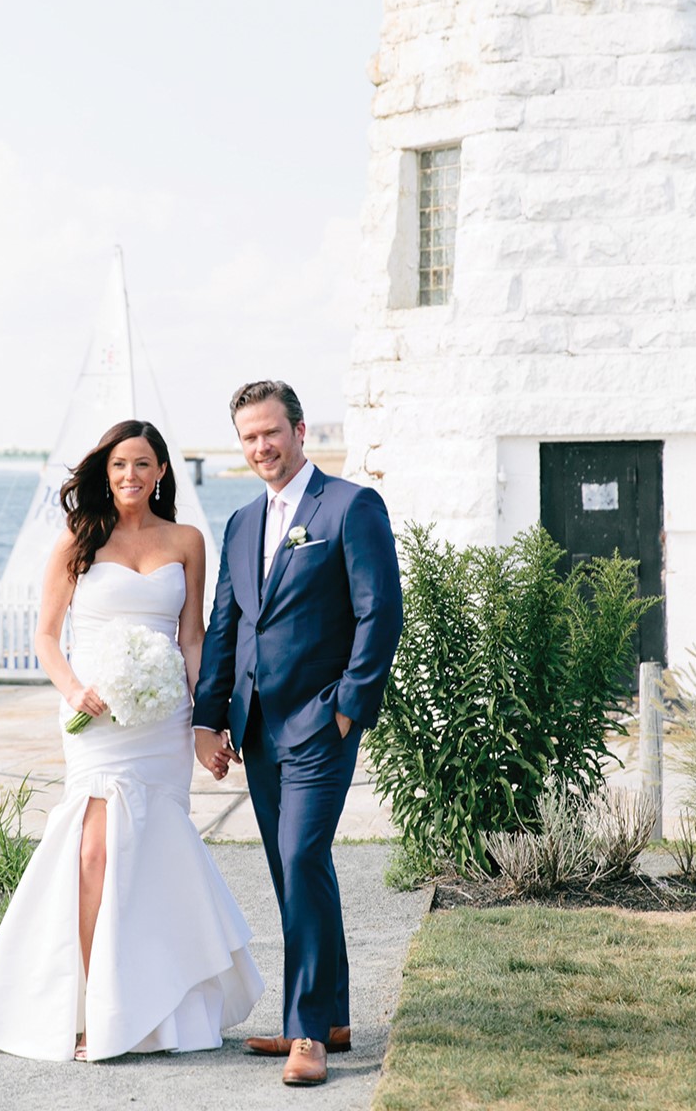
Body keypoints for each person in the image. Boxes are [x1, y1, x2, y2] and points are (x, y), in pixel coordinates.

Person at [0, 418, 264, 1062]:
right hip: (96, 724)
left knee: (152, 853)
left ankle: (154, 1005)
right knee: (92, 854)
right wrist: (75, 691)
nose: (131, 475)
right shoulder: (78, 538)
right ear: (106, 470)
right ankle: (90, 1007)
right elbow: (45, 634)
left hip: (162, 726)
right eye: (120, 464)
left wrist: (206, 724)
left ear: (161, 473)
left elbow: (192, 638)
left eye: (144, 464)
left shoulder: (187, 540)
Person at [192, 381, 402, 1089]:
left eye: (271, 433)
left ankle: (307, 1033)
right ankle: (333, 1015)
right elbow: (228, 625)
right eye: (248, 438)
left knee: (301, 854)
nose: (261, 448)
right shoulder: (242, 522)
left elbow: (380, 614)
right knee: (294, 870)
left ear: (301, 430)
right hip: (256, 731)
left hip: (320, 723)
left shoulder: (349, 506)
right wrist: (209, 715)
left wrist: (348, 706)